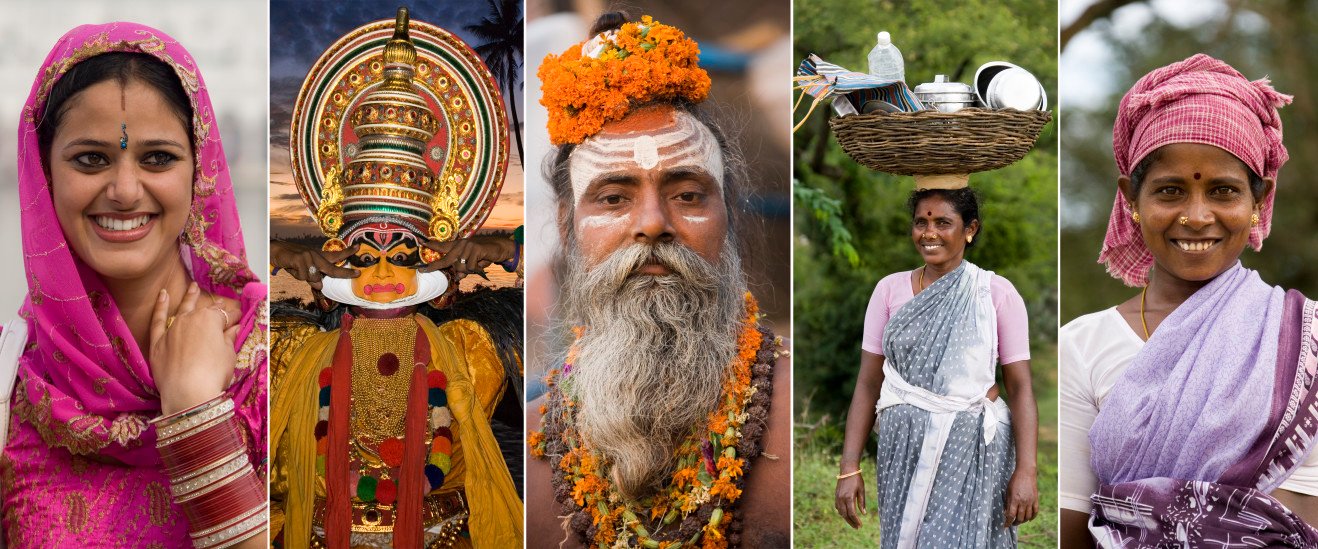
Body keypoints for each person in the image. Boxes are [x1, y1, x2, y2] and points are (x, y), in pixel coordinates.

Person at [524, 13, 790, 548]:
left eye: (688, 195)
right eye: (613, 197)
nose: (652, 223)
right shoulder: (526, 452)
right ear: (565, 226)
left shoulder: (792, 414)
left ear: (729, 215)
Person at [0, 23, 267, 547]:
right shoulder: (10, 380)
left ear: (200, 170)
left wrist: (193, 407)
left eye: (157, 158)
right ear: (44, 172)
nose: (124, 190)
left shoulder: (271, 362)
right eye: (91, 159)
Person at [267, 9, 523, 549]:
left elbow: (569, 281)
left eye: (402, 255)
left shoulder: (470, 347)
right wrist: (268, 250)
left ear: (432, 262)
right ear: (337, 261)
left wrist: (511, 246)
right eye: (364, 257)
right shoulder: (294, 352)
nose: (383, 271)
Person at [1058, 54, 1318, 548]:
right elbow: (1071, 532)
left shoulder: (1304, 338)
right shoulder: (1082, 344)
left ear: (1258, 201)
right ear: (1130, 201)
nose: (1197, 217)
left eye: (1224, 191)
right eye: (1170, 191)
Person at [832, 187, 1039, 548]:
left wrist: (1026, 470)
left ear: (969, 229)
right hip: (902, 447)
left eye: (943, 222)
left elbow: (1020, 387)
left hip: (971, 446)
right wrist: (849, 467)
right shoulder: (888, 290)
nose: (929, 233)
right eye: (921, 222)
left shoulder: (995, 293)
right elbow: (868, 383)